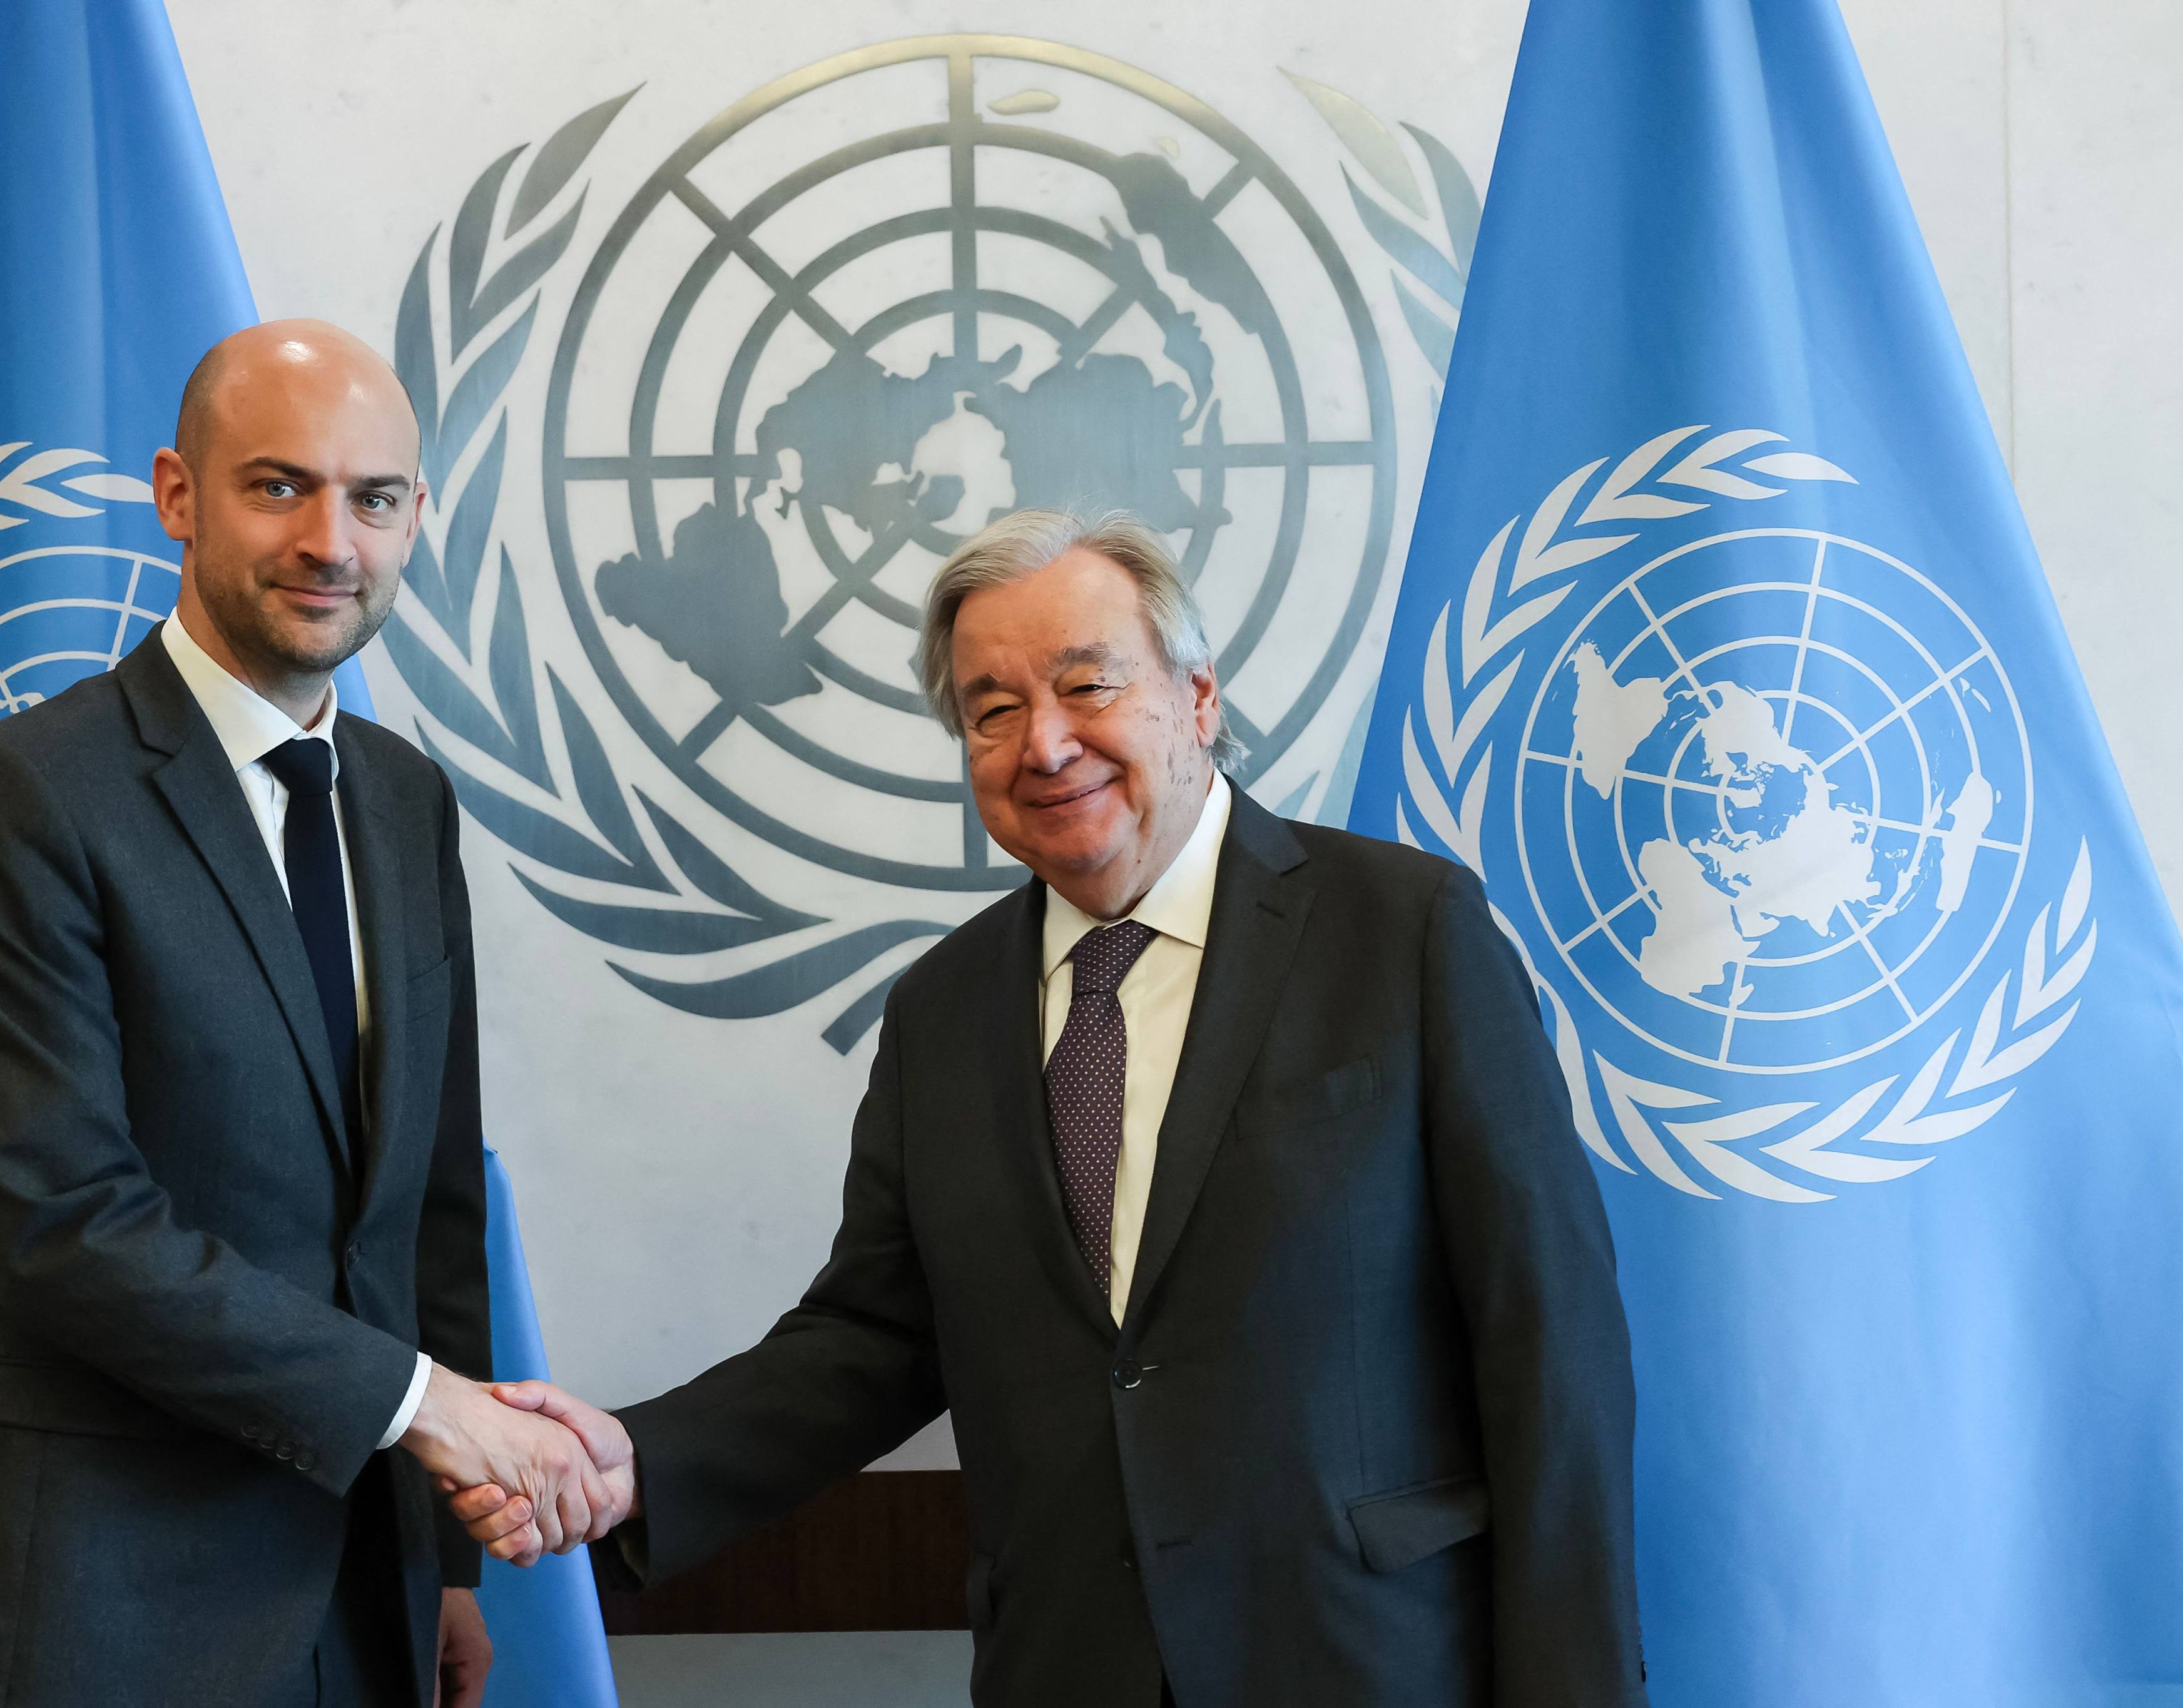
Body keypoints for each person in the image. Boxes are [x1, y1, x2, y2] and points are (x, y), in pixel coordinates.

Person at [451, 509, 1647, 1706]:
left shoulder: (1408, 931)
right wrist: (635, 1458)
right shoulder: (943, 1010)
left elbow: (1549, 1343)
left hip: (1369, 1659)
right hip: (1069, 1663)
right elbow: (875, 1339)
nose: (1048, 742)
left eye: (1088, 684)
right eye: (994, 710)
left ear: (1197, 699)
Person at [0, 321, 619, 1708]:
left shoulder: (401, 799)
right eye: (278, 487)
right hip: (96, 1605)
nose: (332, 541)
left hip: (360, 1589)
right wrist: (427, 1412)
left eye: (373, 499)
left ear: (414, 516)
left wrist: (440, 1560)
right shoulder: (16, 800)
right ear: (177, 496)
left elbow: (429, 1202)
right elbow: (62, 1226)